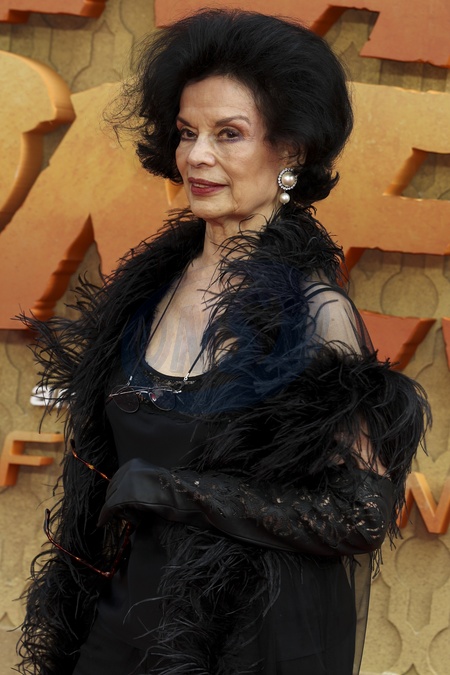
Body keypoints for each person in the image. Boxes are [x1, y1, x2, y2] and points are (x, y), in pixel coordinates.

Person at [17, 9, 429, 675]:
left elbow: (358, 515)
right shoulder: (142, 294)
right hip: (120, 633)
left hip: (251, 646)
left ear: (290, 150)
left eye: (228, 134)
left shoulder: (314, 315)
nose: (197, 156)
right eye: (187, 132)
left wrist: (178, 491)